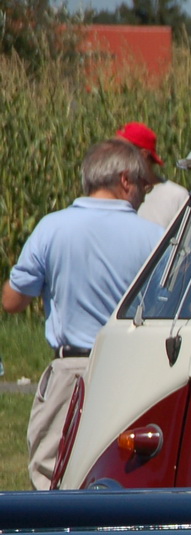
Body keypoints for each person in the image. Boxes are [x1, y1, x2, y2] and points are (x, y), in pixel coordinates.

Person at [2, 139, 163, 489]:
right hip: (131, 372)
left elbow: (13, 301)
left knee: (51, 475)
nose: (142, 194)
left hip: (70, 371)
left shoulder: (52, 228)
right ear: (124, 181)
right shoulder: (155, 238)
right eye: (140, 185)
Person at [116, 122, 189, 229]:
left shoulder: (177, 196)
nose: (114, 156)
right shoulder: (112, 191)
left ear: (144, 155)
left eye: (121, 151)